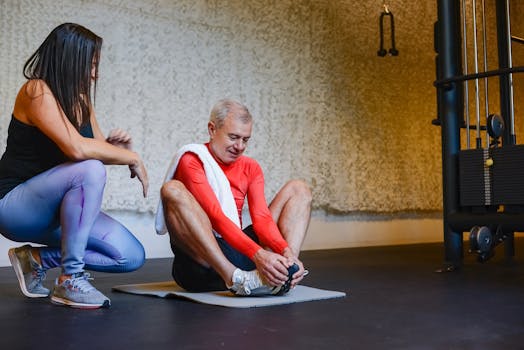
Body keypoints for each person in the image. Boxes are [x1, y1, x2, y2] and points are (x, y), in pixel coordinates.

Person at [0, 23, 149, 309]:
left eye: (97, 65)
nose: (95, 74)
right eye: (90, 65)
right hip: (14, 205)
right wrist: (134, 159)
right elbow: (77, 150)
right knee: (91, 168)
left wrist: (114, 149)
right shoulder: (36, 91)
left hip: (57, 209)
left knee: (131, 255)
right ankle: (70, 279)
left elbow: (89, 151)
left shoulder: (81, 99)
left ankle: (35, 260)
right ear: (69, 60)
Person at [156, 98, 311, 296]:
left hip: (240, 252)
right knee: (172, 189)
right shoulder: (192, 159)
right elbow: (216, 216)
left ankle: (285, 273)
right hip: (203, 264)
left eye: (245, 139)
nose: (239, 146)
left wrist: (285, 250)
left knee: (299, 189)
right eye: (233, 137)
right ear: (212, 129)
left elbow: (262, 219)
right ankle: (234, 278)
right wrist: (259, 254)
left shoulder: (250, 167)